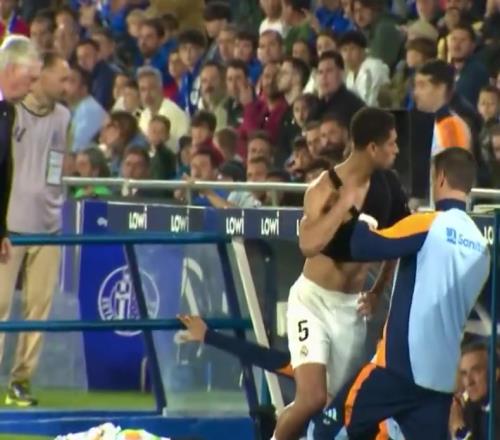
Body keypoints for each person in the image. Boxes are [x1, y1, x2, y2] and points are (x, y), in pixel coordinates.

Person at [320, 147, 490, 440]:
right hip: (440, 381)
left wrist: (357, 209)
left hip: (398, 369)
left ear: (440, 178)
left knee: (324, 430)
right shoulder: (482, 247)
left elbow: (362, 245)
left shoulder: (428, 223)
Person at [274, 107, 409, 440]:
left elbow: (401, 239)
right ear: (372, 148)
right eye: (391, 143)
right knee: (311, 398)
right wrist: (341, 207)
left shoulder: (389, 186)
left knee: (335, 407)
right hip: (312, 301)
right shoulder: (324, 187)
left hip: (351, 309)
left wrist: (377, 290)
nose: (397, 149)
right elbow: (308, 244)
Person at [1, 51, 71, 406]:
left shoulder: (64, 116)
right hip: (10, 226)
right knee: (0, 305)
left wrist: (54, 202)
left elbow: (60, 162)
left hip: (48, 227)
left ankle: (21, 382)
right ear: (41, 76)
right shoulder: (11, 110)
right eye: (62, 78)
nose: (67, 86)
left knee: (38, 308)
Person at [0, 35, 41, 264]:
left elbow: (3, 174)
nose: (32, 88)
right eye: (30, 79)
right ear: (13, 69)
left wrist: (1, 231)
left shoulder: (8, 112)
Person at [450, 341, 500, 440]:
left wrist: (460, 432)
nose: (469, 382)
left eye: (476, 370)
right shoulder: (470, 408)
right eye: (464, 373)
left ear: (496, 373)